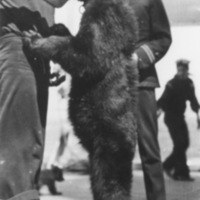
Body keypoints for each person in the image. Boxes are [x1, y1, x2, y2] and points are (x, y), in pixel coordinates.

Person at [0, 0, 68, 199]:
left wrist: (52, 54)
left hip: (35, 48)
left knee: (31, 152)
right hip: (17, 45)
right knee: (20, 152)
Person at [130, 0, 172, 199]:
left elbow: (163, 38)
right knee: (111, 152)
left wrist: (137, 58)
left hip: (141, 83)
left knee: (149, 152)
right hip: (109, 86)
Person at [157, 59, 200, 181]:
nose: (181, 73)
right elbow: (163, 100)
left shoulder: (189, 83)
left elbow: (193, 100)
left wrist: (197, 116)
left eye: (183, 70)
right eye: (179, 70)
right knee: (179, 144)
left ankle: (167, 165)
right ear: (177, 70)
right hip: (170, 117)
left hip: (180, 117)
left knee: (184, 143)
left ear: (187, 70)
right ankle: (181, 173)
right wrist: (157, 111)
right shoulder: (171, 84)